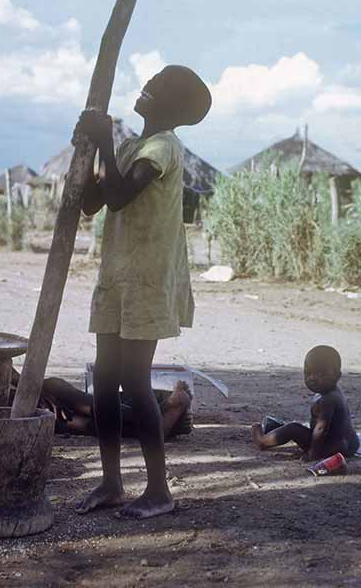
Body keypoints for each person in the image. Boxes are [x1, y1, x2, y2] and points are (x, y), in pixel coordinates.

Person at [73, 65, 212, 519]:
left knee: (133, 381)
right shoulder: (135, 146)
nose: (146, 88)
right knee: (105, 383)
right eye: (149, 82)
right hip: (117, 279)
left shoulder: (163, 147)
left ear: (173, 107)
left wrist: (106, 140)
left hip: (147, 283)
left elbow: (118, 197)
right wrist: (92, 147)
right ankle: (112, 482)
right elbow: (94, 201)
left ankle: (158, 490)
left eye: (156, 88)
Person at [0, 219, 193, 439]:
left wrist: (29, 386)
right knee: (51, 414)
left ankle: (152, 419)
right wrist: (17, 392)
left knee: (54, 389)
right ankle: (156, 423)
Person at [251, 345, 359, 461]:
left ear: (337, 376)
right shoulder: (335, 392)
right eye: (308, 373)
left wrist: (313, 453)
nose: (312, 378)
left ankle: (262, 441)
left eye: (321, 374)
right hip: (349, 444)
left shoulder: (327, 400)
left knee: (293, 428)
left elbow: (321, 429)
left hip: (330, 448)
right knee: (293, 426)